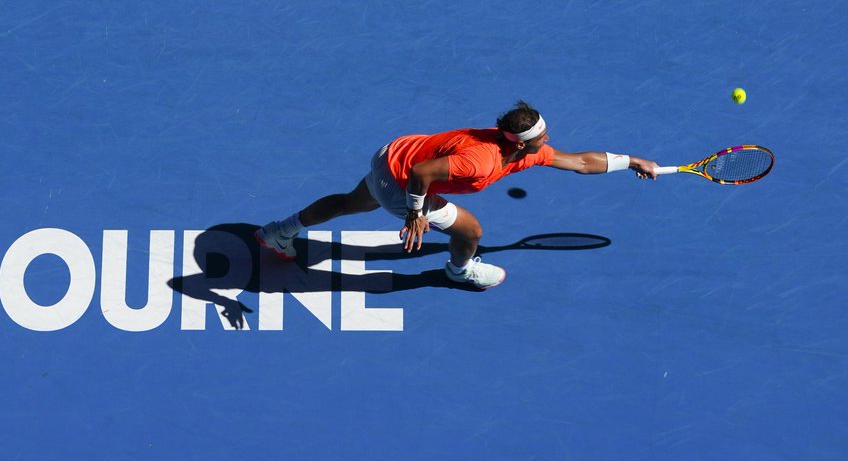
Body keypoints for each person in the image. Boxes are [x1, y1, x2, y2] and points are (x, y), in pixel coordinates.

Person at [255, 101, 659, 289]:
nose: (548, 140)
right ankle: (459, 270)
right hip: (406, 180)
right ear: (521, 144)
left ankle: (280, 231)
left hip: (390, 156)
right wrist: (415, 212)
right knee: (470, 231)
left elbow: (581, 162)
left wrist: (633, 160)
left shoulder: (520, 150)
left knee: (349, 202)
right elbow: (422, 173)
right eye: (541, 137)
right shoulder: (481, 161)